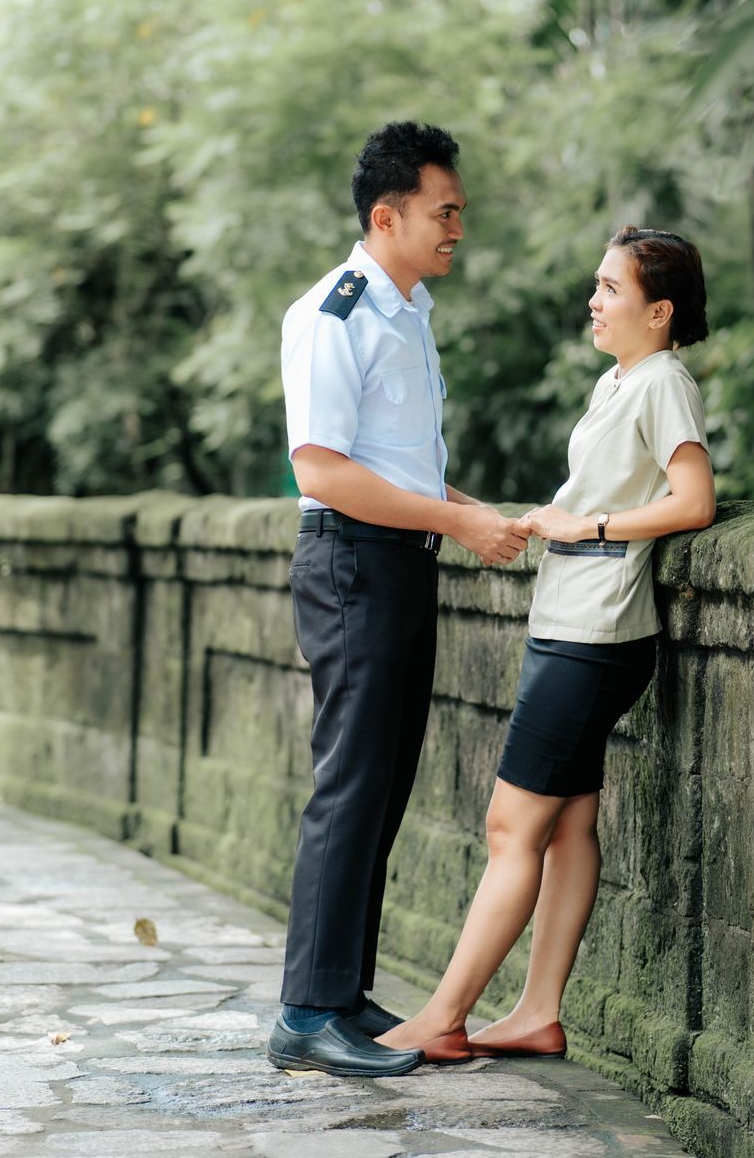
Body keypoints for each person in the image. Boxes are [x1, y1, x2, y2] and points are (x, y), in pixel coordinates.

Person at [375, 225, 716, 1065]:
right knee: (566, 826)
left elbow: (694, 501)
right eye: (596, 285)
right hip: (573, 624)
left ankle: (445, 1015)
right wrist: (535, 517)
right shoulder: (619, 380)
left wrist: (587, 527)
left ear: (660, 312)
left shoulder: (663, 382)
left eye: (611, 289)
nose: (593, 301)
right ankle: (535, 1012)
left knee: (510, 826)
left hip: (593, 636)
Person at [266, 122, 530, 1078]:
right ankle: (305, 1013)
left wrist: (468, 513)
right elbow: (323, 472)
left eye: (459, 211)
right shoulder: (334, 315)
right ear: (387, 217)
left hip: (401, 561)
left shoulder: (407, 311)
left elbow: (400, 469)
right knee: (351, 783)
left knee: (383, 784)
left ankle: (341, 994)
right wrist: (457, 523)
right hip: (352, 564)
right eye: (443, 212)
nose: (458, 228)